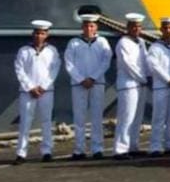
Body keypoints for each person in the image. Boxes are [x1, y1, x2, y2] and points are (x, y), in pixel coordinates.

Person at [64, 13, 111, 160]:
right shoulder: (74, 43)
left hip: (97, 83)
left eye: (91, 26)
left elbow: (106, 61)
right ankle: (79, 149)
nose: (89, 28)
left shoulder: (103, 42)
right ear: (82, 27)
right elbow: (69, 63)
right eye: (86, 25)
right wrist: (81, 79)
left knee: (97, 117)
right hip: (79, 85)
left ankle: (97, 149)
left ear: (96, 27)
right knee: (79, 117)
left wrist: (93, 77)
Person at [13, 20, 61, 164]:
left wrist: (43, 86)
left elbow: (54, 69)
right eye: (37, 33)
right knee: (25, 122)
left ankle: (47, 151)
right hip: (27, 92)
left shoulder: (52, 51)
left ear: (47, 35)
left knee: (46, 121)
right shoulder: (24, 50)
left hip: (46, 91)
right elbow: (19, 70)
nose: (39, 36)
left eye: (42, 33)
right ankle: (21, 153)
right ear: (33, 34)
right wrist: (30, 87)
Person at [113, 13, 151, 160]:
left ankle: (133, 146)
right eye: (133, 26)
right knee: (126, 117)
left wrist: (148, 75)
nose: (136, 28)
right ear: (128, 27)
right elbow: (128, 65)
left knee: (137, 117)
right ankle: (120, 149)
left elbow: (145, 61)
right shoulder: (123, 42)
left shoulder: (140, 42)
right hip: (128, 84)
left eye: (139, 26)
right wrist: (143, 78)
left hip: (140, 84)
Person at [146, 16, 170, 156]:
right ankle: (155, 146)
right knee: (159, 116)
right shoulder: (155, 47)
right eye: (165, 27)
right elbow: (153, 66)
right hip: (162, 86)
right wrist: (168, 79)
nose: (168, 30)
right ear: (161, 29)